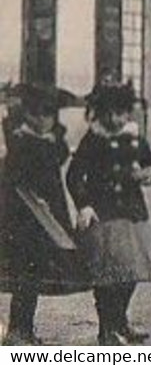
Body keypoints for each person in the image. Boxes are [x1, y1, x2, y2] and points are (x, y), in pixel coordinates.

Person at [68, 82, 151, 345]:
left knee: (131, 272)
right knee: (107, 276)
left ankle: (120, 321)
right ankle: (107, 329)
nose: (113, 119)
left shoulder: (133, 137)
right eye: (107, 113)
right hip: (103, 214)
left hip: (133, 213)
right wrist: (84, 204)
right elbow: (74, 175)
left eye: (119, 113)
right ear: (98, 113)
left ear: (127, 113)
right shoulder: (93, 139)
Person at [0, 84, 87, 346]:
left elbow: (58, 160)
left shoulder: (51, 141)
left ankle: (24, 328)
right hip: (21, 217)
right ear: (25, 113)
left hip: (46, 216)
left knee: (36, 272)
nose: (41, 120)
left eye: (47, 114)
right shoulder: (19, 140)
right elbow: (12, 176)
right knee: (24, 272)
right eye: (35, 113)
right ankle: (17, 329)